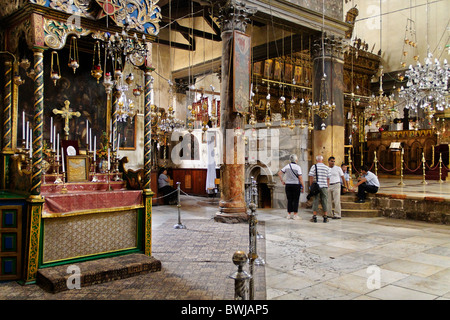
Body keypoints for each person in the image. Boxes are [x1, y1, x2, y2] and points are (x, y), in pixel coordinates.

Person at [278, 154, 305, 220]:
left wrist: (282, 181)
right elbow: (300, 177)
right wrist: (303, 186)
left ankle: (289, 215)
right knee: (296, 200)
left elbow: (279, 173)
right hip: (296, 185)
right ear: (296, 160)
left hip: (288, 185)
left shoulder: (287, 166)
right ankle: (295, 215)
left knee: (289, 200)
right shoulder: (298, 167)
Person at [308, 155, 331, 223]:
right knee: (325, 200)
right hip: (324, 186)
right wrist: (327, 186)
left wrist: (311, 185)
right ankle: (325, 217)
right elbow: (328, 178)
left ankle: (314, 217)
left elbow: (311, 176)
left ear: (316, 160)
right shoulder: (327, 168)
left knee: (315, 200)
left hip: (316, 186)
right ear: (322, 160)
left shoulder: (314, 166)